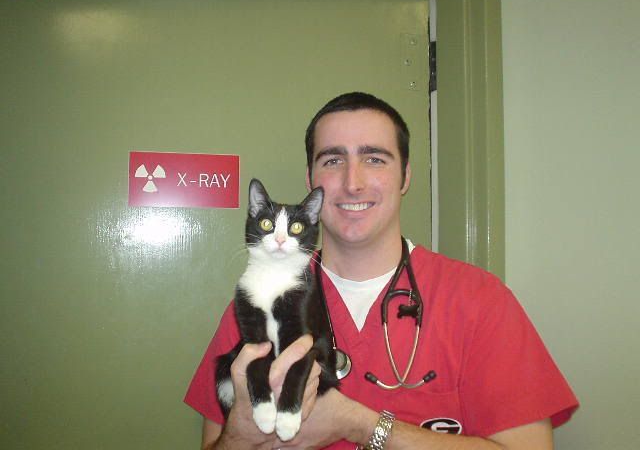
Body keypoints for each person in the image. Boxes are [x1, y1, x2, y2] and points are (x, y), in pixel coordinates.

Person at [185, 92, 579, 449]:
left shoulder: (478, 301)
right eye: (333, 160)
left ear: (405, 176)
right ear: (310, 182)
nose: (352, 183)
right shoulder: (259, 300)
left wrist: (359, 424)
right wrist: (239, 435)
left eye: (374, 159)